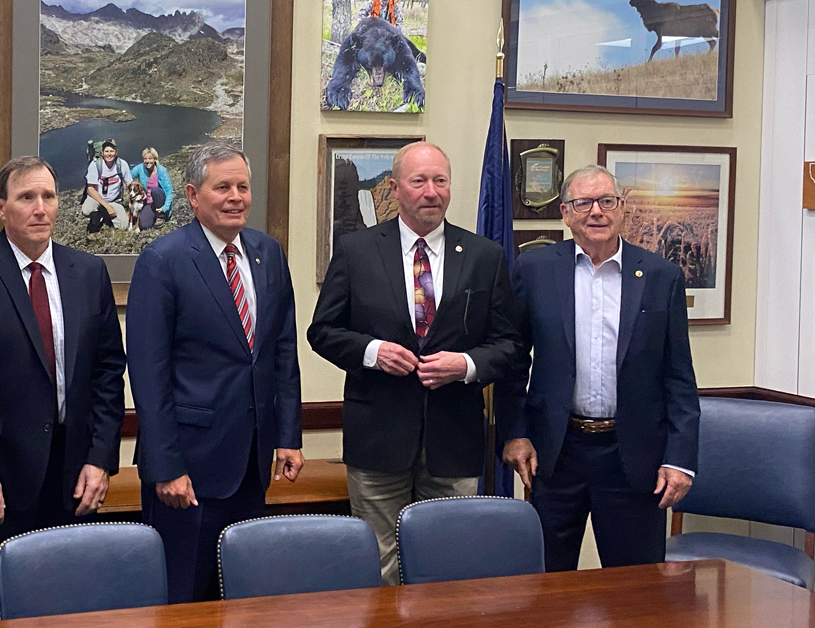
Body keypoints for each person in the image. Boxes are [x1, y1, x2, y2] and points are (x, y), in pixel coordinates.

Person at [307, 142, 519, 585]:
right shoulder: (357, 250)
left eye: (440, 181)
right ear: (394, 188)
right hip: (378, 439)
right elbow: (322, 332)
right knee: (380, 564)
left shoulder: (484, 257)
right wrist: (373, 353)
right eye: (418, 181)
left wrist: (465, 365)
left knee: (451, 563)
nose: (431, 192)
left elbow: (510, 345)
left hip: (454, 440)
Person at [0, 156, 126, 623]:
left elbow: (107, 374)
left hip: (71, 480)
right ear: (1, 207)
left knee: (64, 611)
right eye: (26, 197)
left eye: (49, 197)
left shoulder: (88, 272)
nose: (40, 208)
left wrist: (100, 460)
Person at [497, 165, 699, 572]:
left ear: (622, 208)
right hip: (555, 453)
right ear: (564, 212)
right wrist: (516, 433)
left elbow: (679, 375)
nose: (596, 212)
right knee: (545, 584)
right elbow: (513, 361)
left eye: (607, 201)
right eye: (583, 203)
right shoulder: (534, 270)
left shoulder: (661, 276)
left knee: (636, 590)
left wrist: (680, 458)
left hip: (633, 456)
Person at [127, 142, 305, 603]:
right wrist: (166, 466)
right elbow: (149, 374)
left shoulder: (268, 253)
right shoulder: (163, 260)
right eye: (222, 187)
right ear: (191, 194)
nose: (235, 197)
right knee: (180, 595)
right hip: (187, 468)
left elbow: (282, 351)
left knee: (243, 596)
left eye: (243, 187)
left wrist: (288, 435)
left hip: (252, 461)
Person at [82, 139, 132, 232]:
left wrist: (133, 205)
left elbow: (129, 183)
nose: (109, 154)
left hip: (114, 200)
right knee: (86, 210)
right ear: (102, 153)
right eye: (107, 151)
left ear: (116, 152)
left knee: (123, 226)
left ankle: (105, 214)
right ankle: (98, 216)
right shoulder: (95, 164)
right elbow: (91, 189)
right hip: (96, 198)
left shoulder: (122, 164)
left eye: (112, 151)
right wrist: (107, 207)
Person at [129, 147, 174, 230]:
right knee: (144, 225)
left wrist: (165, 207)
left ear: (155, 159)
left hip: (161, 200)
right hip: (149, 202)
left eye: (150, 158)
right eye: (145, 159)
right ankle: (153, 215)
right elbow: (128, 176)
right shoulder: (140, 168)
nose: (147, 161)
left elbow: (169, 191)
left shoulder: (161, 171)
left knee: (155, 190)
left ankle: (161, 217)